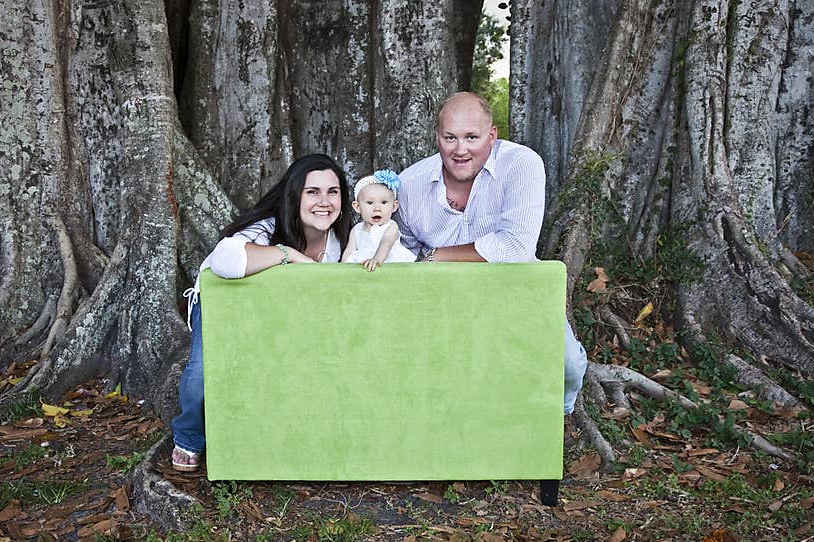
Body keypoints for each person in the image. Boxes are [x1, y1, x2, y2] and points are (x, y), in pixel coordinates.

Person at [395, 91, 588, 415]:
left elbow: (514, 247)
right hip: (441, 295)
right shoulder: (409, 185)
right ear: (436, 137)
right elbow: (402, 252)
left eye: (472, 137)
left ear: (492, 135)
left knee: (567, 363)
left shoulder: (521, 164)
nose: (460, 150)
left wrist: (435, 255)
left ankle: (556, 420)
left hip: (514, 285)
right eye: (450, 138)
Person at [171, 153, 353, 471]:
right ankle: (189, 436)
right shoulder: (268, 229)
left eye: (332, 192)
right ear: (294, 195)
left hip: (279, 307)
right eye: (313, 192)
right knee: (202, 371)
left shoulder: (341, 238)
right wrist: (289, 254)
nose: (324, 201)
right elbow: (224, 260)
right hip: (225, 299)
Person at [341, 169, 417, 271]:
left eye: (384, 202)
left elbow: (386, 243)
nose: (377, 208)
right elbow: (349, 251)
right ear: (357, 207)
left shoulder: (391, 226)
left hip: (389, 266)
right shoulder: (357, 230)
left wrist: (376, 259)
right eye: (370, 203)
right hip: (363, 267)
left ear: (394, 206)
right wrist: (342, 268)